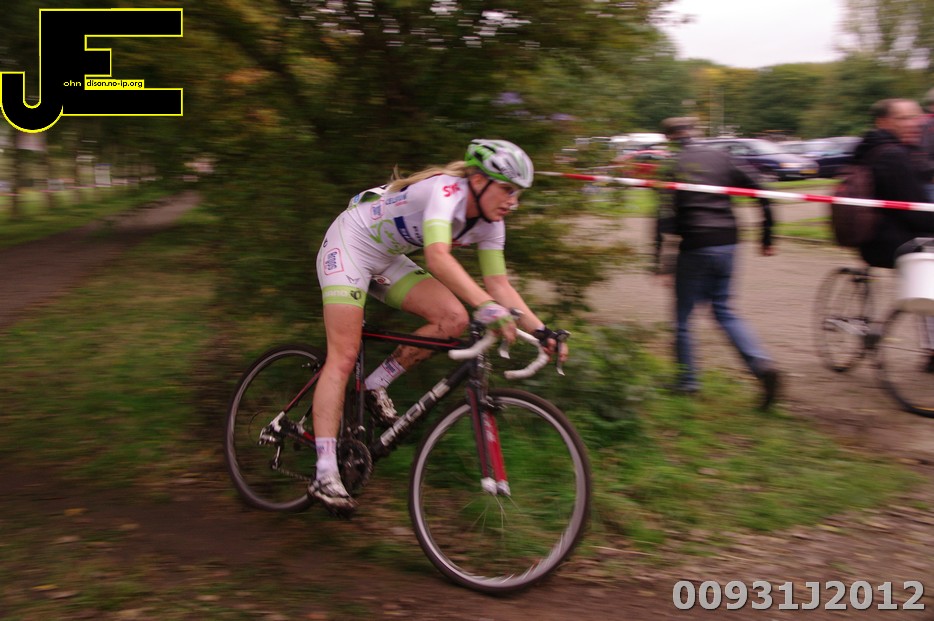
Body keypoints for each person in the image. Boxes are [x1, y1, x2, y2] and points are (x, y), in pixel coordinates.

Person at [309, 139, 568, 511]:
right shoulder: (445, 191)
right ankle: (324, 472)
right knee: (344, 355)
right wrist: (487, 308)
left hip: (386, 258)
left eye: (518, 193)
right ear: (477, 180)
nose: (513, 201)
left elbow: (499, 285)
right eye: (507, 189)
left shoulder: (491, 224)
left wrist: (543, 332)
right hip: (350, 243)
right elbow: (438, 258)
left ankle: (374, 385)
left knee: (453, 319)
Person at [654, 117, 780, 409]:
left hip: (696, 244)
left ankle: (687, 382)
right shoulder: (721, 156)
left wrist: (660, 262)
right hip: (728, 241)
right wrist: (767, 235)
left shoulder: (672, 166)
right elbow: (760, 189)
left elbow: (663, 219)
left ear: (669, 138)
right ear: (694, 132)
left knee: (683, 318)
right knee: (724, 309)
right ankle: (760, 364)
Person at [855, 98, 934, 269]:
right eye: (903, 118)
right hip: (897, 243)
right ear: (882, 122)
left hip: (876, 239)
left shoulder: (872, 147)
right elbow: (917, 214)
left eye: (916, 117)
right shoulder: (893, 156)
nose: (914, 124)